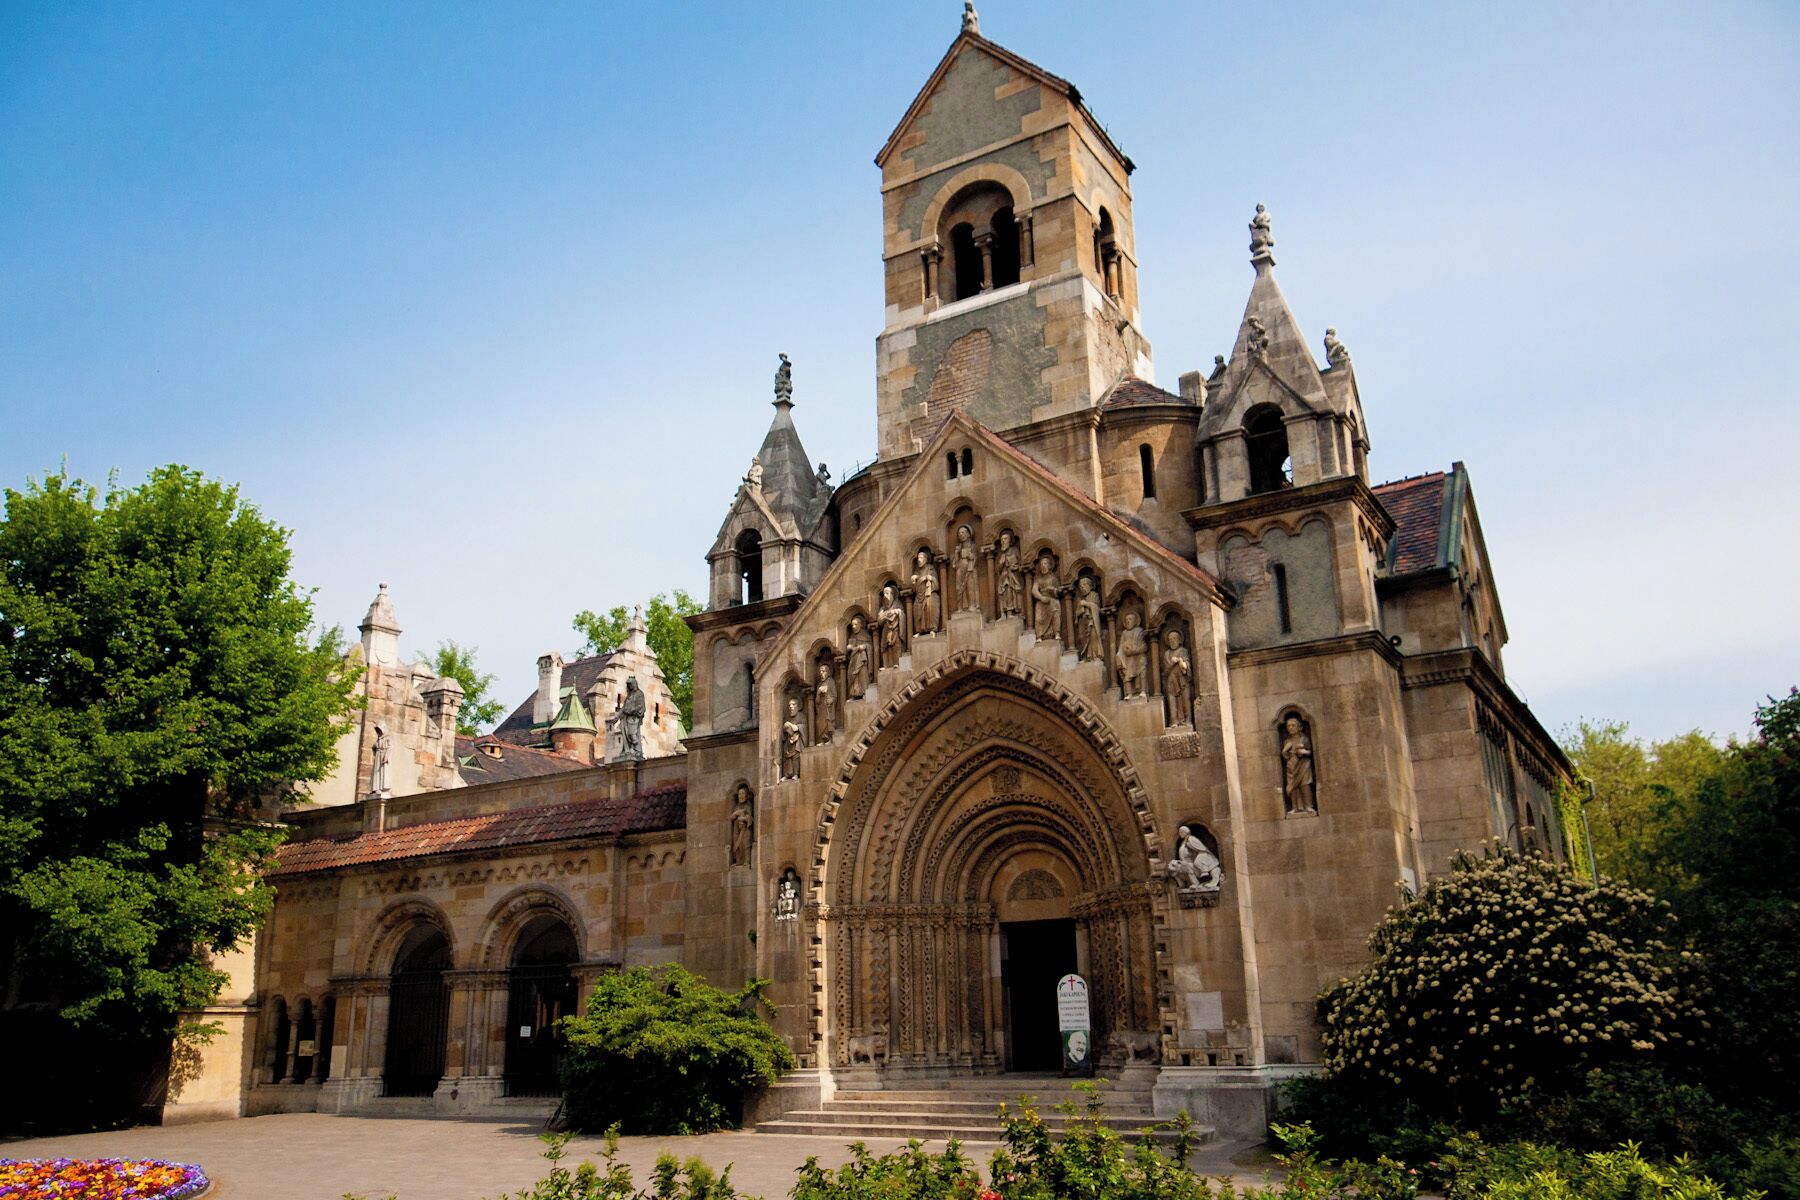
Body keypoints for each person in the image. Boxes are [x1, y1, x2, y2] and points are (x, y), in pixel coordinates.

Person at [1168, 825, 1222, 892]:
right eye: (1180, 832)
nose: (1180, 834)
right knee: (1175, 870)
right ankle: (1183, 884)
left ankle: (1197, 881)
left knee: (1193, 864)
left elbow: (1199, 848)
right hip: (1186, 862)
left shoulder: (1191, 839)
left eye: (1182, 832)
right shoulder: (1184, 842)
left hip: (1194, 860)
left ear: (1186, 832)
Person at [1282, 715, 1316, 813]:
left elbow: (1309, 751)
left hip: (1303, 764)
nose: (1291, 728)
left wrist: (1304, 752)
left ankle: (1308, 806)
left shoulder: (1304, 739)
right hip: (1291, 766)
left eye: (1293, 725)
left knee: (1305, 784)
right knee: (1293, 787)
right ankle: (1295, 807)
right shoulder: (1287, 741)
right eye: (1288, 726)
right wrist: (1285, 752)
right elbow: (1286, 756)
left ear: (1299, 727)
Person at [1161, 626, 1192, 724]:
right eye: (1170, 639)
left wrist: (1180, 661)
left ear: (1179, 640)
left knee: (1185, 700)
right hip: (1171, 680)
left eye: (1175, 639)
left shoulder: (1183, 651)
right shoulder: (1167, 654)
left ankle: (1188, 719)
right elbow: (1165, 670)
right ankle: (1174, 721)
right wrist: (1172, 663)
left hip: (1182, 680)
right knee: (1172, 700)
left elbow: (1186, 666)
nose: (1172, 641)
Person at [1116, 611, 1147, 696]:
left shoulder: (1139, 631)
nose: (1128, 621)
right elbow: (1121, 646)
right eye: (1127, 620)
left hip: (1138, 656)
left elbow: (1144, 646)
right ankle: (1129, 693)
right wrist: (1119, 657)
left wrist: (1134, 651)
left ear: (1135, 621)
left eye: (1130, 619)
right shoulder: (1124, 633)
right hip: (1128, 658)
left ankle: (1143, 691)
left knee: (1141, 672)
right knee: (1127, 674)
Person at [1031, 551, 1060, 640]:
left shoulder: (1054, 578)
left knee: (1055, 609)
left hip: (1052, 599)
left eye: (1045, 563)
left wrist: (1053, 590)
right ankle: (1039, 636)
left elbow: (1059, 591)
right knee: (1039, 617)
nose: (1043, 566)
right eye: (1041, 564)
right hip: (1042, 600)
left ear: (1050, 566)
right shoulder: (1038, 578)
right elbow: (1034, 590)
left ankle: (1056, 633)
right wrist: (1041, 598)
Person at [912, 549, 941, 634]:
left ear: (926, 559)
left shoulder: (931, 570)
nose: (919, 560)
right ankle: (919, 630)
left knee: (930, 607)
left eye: (921, 558)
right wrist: (914, 581)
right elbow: (913, 590)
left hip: (929, 594)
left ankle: (932, 628)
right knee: (917, 610)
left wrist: (931, 578)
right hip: (919, 596)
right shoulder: (916, 573)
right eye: (918, 558)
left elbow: (937, 586)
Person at [1073, 576, 1101, 660]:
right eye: (1080, 586)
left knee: (1093, 636)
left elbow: (1096, 608)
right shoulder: (1080, 599)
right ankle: (1086, 656)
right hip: (1083, 622)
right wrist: (1079, 612)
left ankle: (1094, 656)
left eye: (1084, 585)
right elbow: (1077, 613)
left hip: (1092, 621)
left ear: (1090, 586)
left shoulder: (1094, 595)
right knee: (1082, 637)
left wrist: (1086, 604)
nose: (1082, 588)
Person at [996, 531, 1023, 617]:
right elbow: (999, 569)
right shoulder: (1002, 554)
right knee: (1003, 593)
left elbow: (1021, 565)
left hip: (1013, 576)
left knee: (1011, 592)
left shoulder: (1015, 550)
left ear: (1010, 540)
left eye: (1005, 539)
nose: (1003, 541)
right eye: (1001, 540)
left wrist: (1016, 567)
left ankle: (1014, 612)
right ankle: (1004, 613)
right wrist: (1001, 563)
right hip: (1004, 576)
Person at [953, 525, 979, 612]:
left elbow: (975, 558)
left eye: (963, 532)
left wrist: (971, 556)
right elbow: (955, 564)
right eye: (959, 533)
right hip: (960, 568)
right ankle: (960, 607)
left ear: (968, 534)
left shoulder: (973, 546)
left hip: (970, 568)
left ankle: (972, 605)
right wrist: (956, 554)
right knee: (959, 588)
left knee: (970, 586)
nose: (961, 534)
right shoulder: (959, 548)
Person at [846, 616, 873, 698]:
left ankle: (864, 691)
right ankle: (854, 694)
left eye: (855, 624)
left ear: (860, 625)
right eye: (852, 625)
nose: (853, 627)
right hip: (853, 659)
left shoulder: (865, 635)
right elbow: (848, 652)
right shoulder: (852, 636)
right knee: (853, 676)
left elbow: (870, 646)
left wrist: (865, 646)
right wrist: (849, 648)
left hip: (862, 658)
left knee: (862, 674)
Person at [730, 783, 753, 866]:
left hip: (745, 829)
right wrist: (736, 813)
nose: (741, 796)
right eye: (739, 794)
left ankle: (747, 861)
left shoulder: (748, 805)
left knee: (746, 843)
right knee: (737, 844)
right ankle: (738, 861)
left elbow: (750, 817)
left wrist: (743, 818)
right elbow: (731, 817)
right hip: (737, 829)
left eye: (743, 793)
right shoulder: (736, 807)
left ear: (746, 795)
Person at [779, 697, 804, 779]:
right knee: (787, 758)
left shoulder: (801, 716)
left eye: (793, 704)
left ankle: (796, 773)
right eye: (789, 705)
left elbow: (804, 727)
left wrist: (796, 727)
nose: (791, 707)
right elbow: (783, 733)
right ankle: (787, 774)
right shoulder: (788, 718)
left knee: (796, 757)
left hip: (797, 741)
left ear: (798, 706)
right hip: (788, 742)